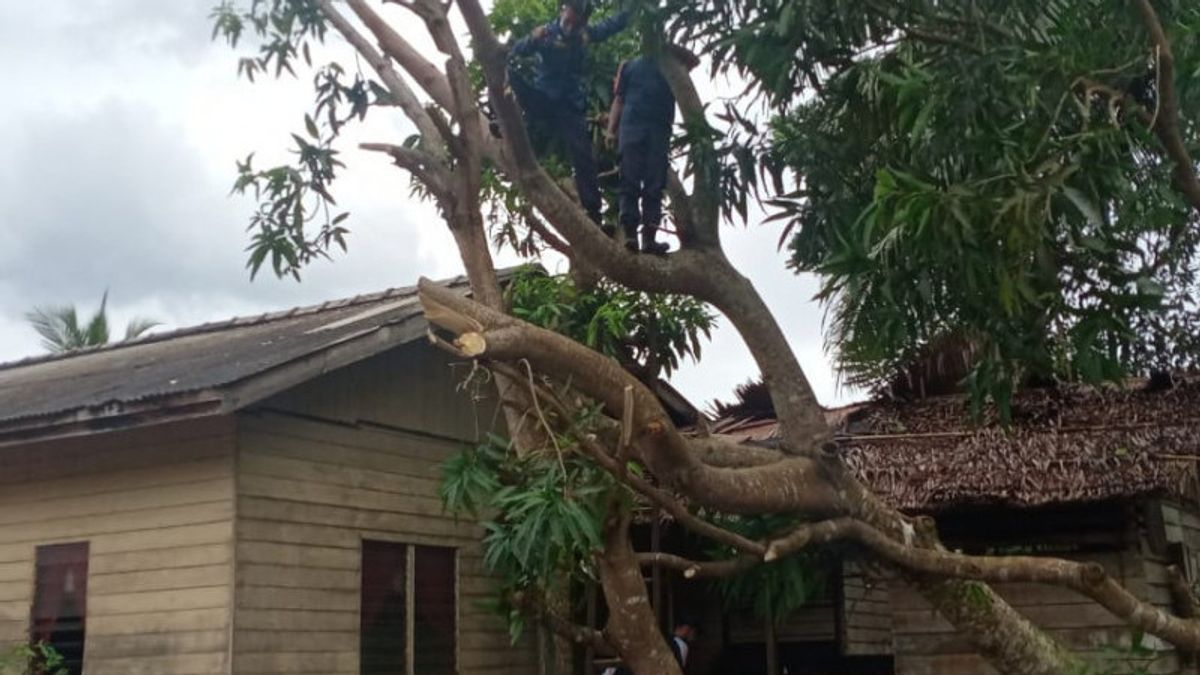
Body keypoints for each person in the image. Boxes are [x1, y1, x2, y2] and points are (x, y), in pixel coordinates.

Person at [508, 0, 630, 228]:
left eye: (579, 18)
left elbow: (611, 25)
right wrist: (532, 39)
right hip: (543, 98)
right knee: (510, 75)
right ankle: (501, 117)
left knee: (583, 157)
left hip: (569, 106)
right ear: (564, 10)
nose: (573, 20)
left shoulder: (584, 35)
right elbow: (518, 51)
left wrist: (632, 8)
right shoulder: (546, 33)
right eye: (572, 13)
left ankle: (594, 214)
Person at [606, 44, 700, 254]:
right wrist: (611, 131)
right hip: (632, 128)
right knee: (629, 180)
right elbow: (619, 100)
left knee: (654, 185)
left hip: (658, 130)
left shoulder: (670, 65)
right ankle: (630, 234)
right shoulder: (629, 66)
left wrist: (668, 48)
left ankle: (649, 238)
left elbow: (694, 61)